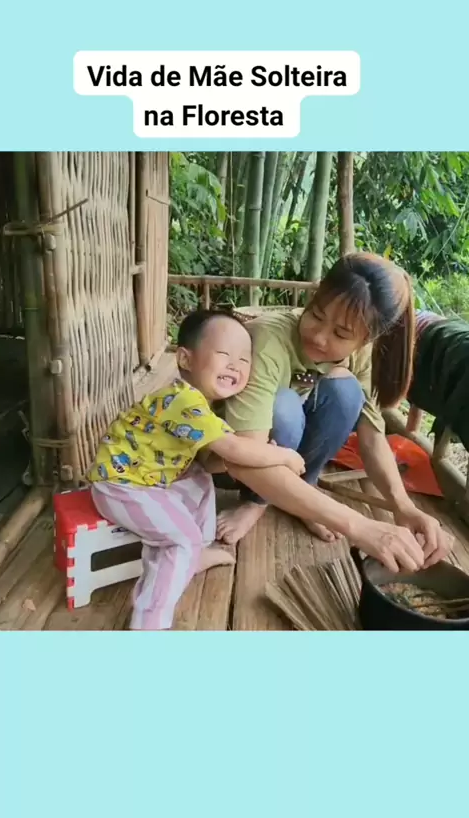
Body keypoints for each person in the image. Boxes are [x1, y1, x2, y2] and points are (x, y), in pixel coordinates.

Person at [214, 252, 454, 572]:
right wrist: (360, 526)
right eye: (316, 314)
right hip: (225, 464)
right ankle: (256, 501)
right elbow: (241, 459)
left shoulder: (362, 354)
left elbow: (372, 438)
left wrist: (403, 506)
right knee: (284, 406)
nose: (319, 336)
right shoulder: (268, 339)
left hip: (286, 460)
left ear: (367, 339)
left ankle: (303, 494)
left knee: (345, 391)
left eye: (341, 334)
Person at [86, 309, 306, 630]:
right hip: (120, 486)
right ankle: (149, 621)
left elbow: (215, 461)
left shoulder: (201, 406)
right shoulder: (184, 401)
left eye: (244, 358)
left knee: (200, 478)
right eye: (224, 354)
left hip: (149, 480)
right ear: (185, 360)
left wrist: (259, 455)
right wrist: (283, 455)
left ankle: (197, 553)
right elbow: (233, 449)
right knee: (180, 539)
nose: (235, 364)